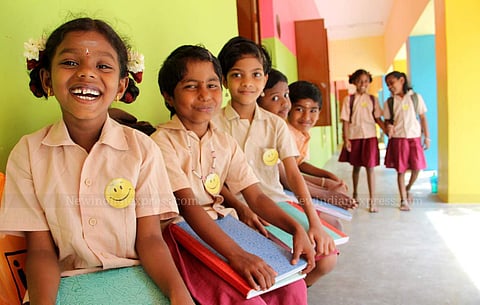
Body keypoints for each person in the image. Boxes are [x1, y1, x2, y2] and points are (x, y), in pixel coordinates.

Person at [0, 17, 193, 305]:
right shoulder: (27, 153)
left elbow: (151, 240)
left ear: (120, 85)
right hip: (65, 285)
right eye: (70, 63)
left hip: (135, 278)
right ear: (46, 79)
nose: (86, 74)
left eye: (103, 66)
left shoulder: (142, 149)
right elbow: (40, 252)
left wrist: (180, 295)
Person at [151, 45, 314, 304]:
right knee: (248, 299)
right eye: (191, 86)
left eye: (212, 85)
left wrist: (296, 228)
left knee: (293, 289)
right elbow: (188, 206)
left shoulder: (225, 142)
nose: (205, 95)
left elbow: (256, 196)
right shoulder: (161, 143)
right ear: (168, 96)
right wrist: (237, 255)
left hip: (225, 224)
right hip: (181, 232)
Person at [213, 36, 337, 287]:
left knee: (325, 260)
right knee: (269, 269)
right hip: (232, 212)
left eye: (256, 74)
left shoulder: (276, 125)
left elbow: (293, 175)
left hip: (276, 205)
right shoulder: (213, 123)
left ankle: (296, 289)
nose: (248, 83)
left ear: (265, 79)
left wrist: (314, 222)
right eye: (237, 75)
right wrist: (242, 208)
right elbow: (213, 180)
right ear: (224, 80)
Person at [258, 70, 356, 212]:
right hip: (275, 194)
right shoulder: (281, 131)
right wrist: (325, 186)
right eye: (299, 109)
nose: (306, 116)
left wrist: (326, 178)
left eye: (285, 96)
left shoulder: (300, 133)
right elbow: (285, 176)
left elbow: (298, 163)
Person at [338, 69, 386, 213]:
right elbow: (345, 121)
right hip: (355, 137)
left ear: (369, 82)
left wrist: (388, 130)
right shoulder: (349, 100)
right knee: (356, 167)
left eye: (366, 81)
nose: (363, 84)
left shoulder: (373, 99)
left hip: (370, 137)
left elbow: (378, 118)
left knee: (370, 168)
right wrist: (346, 139)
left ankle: (372, 201)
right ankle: (355, 194)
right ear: (354, 82)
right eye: (359, 81)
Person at [383, 71, 430, 211]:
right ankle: (403, 200)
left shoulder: (415, 98)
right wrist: (388, 127)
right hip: (398, 139)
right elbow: (387, 120)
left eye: (392, 83)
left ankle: (408, 188)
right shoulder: (390, 102)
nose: (390, 87)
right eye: (388, 85)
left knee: (417, 168)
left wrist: (427, 137)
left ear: (402, 80)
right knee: (401, 170)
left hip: (414, 138)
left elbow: (422, 118)